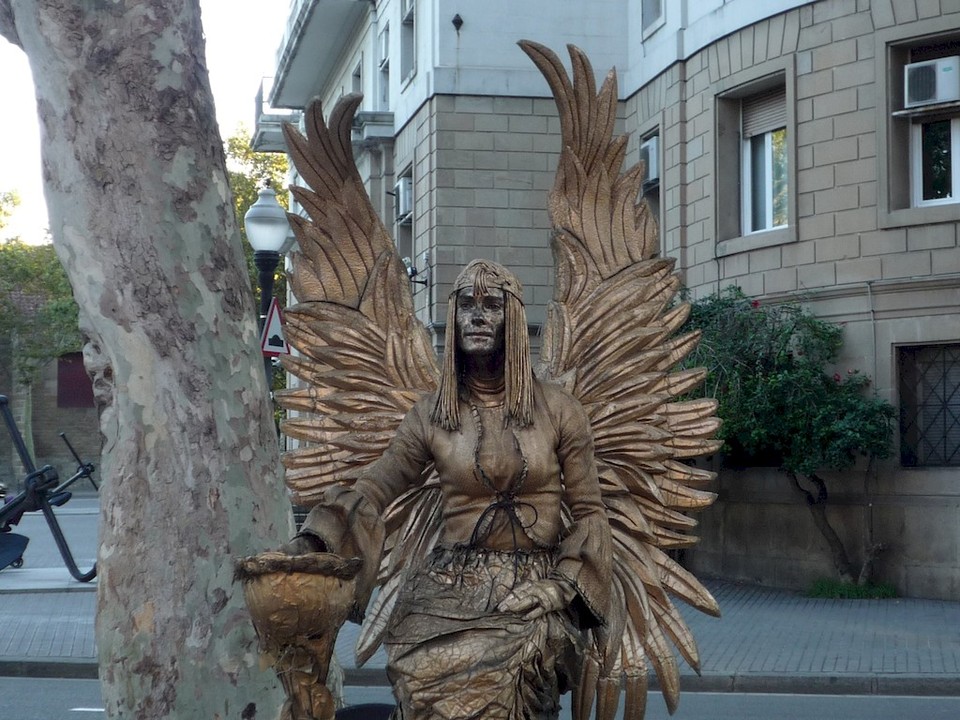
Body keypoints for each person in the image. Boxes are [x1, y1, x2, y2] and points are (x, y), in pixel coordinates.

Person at [293, 259, 612, 720]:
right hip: (448, 586)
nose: (477, 317)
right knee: (418, 668)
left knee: (505, 676)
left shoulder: (561, 409)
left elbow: (589, 513)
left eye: (492, 305)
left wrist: (559, 588)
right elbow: (377, 486)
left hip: (532, 587)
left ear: (513, 319)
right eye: (466, 305)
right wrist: (314, 539)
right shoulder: (430, 414)